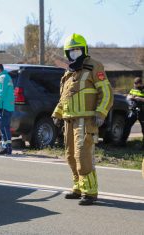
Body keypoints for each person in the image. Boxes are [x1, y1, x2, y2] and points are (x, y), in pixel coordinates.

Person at [52, 33, 113, 206]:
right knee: (70, 156)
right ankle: (78, 188)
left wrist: (101, 113)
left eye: (77, 50)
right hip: (69, 121)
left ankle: (91, 192)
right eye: (71, 51)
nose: (74, 54)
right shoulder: (68, 72)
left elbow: (107, 92)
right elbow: (64, 97)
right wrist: (57, 114)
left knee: (83, 155)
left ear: (84, 50)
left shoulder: (95, 66)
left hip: (86, 121)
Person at [0, 63, 15, 155]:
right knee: (5, 127)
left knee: (4, 127)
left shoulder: (2, 78)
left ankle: (7, 148)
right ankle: (5, 147)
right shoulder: (5, 77)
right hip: (6, 106)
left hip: (4, 107)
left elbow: (0, 93)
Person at [121, 77, 144, 148]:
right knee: (127, 126)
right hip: (134, 111)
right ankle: (122, 143)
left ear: (140, 83)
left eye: (136, 84)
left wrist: (139, 99)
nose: (134, 85)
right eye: (134, 84)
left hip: (142, 112)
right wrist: (131, 97)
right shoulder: (133, 89)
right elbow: (128, 96)